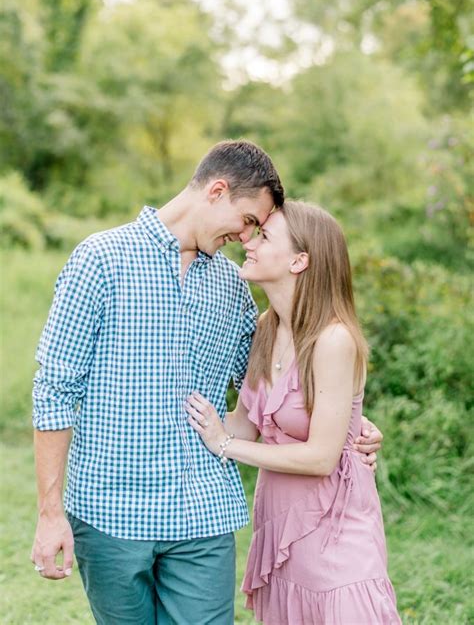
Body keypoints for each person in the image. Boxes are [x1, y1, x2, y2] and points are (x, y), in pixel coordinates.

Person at [31, 141, 383, 625]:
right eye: (247, 220)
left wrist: (352, 425)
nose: (245, 237)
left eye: (258, 230)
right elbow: (54, 390)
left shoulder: (234, 287)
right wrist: (50, 513)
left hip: (203, 517)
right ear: (217, 191)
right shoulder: (101, 260)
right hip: (110, 513)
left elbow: (276, 389)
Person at [186, 201, 400, 625]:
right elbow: (244, 426)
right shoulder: (266, 328)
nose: (248, 241)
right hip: (281, 521)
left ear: (300, 260)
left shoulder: (333, 340)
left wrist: (224, 445)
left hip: (334, 525)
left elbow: (321, 457)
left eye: (264, 237)